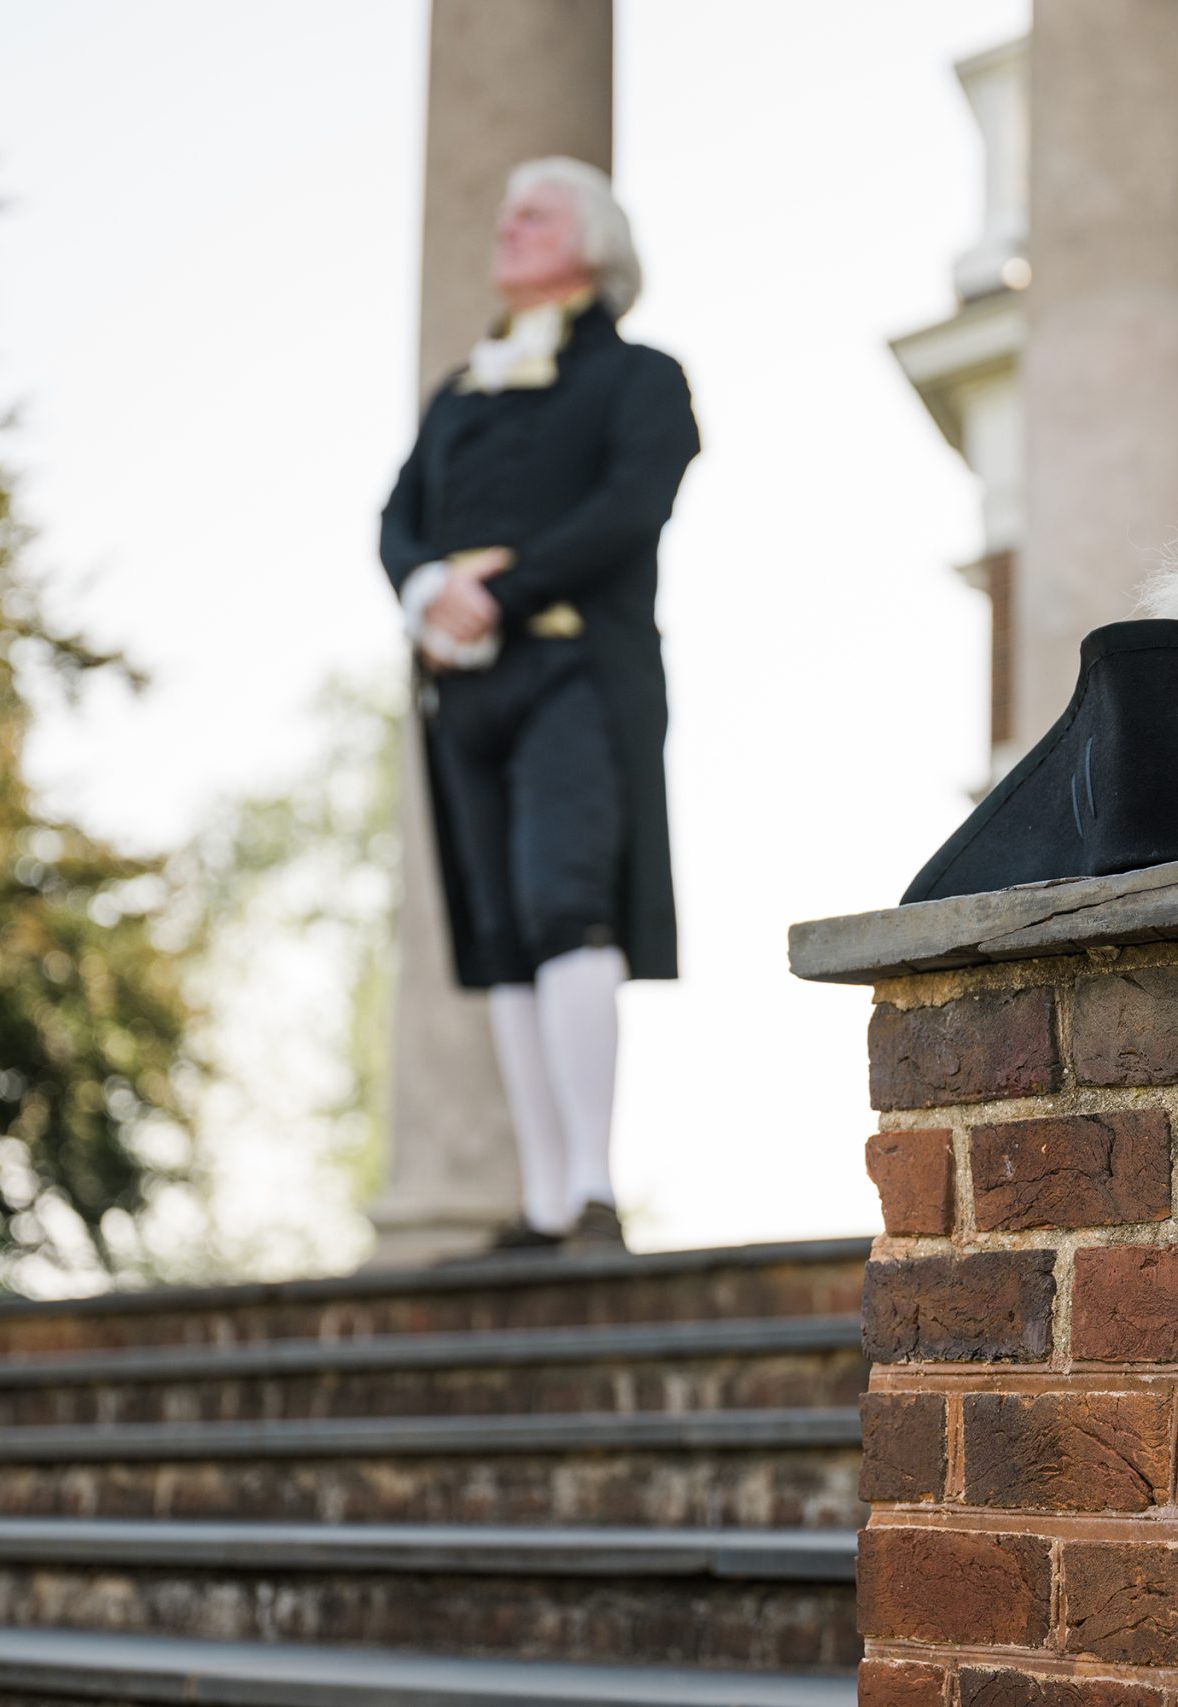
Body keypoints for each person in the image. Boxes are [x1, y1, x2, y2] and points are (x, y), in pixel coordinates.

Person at [380, 157, 699, 1253]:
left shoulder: (643, 380)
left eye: (536, 214)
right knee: (503, 930)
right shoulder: (460, 391)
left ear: (595, 243)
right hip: (463, 687)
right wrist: (430, 590)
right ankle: (546, 1197)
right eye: (506, 210)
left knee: (568, 903)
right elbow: (398, 519)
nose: (507, 227)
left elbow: (626, 511)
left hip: (574, 672)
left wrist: (498, 592)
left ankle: (592, 1191)